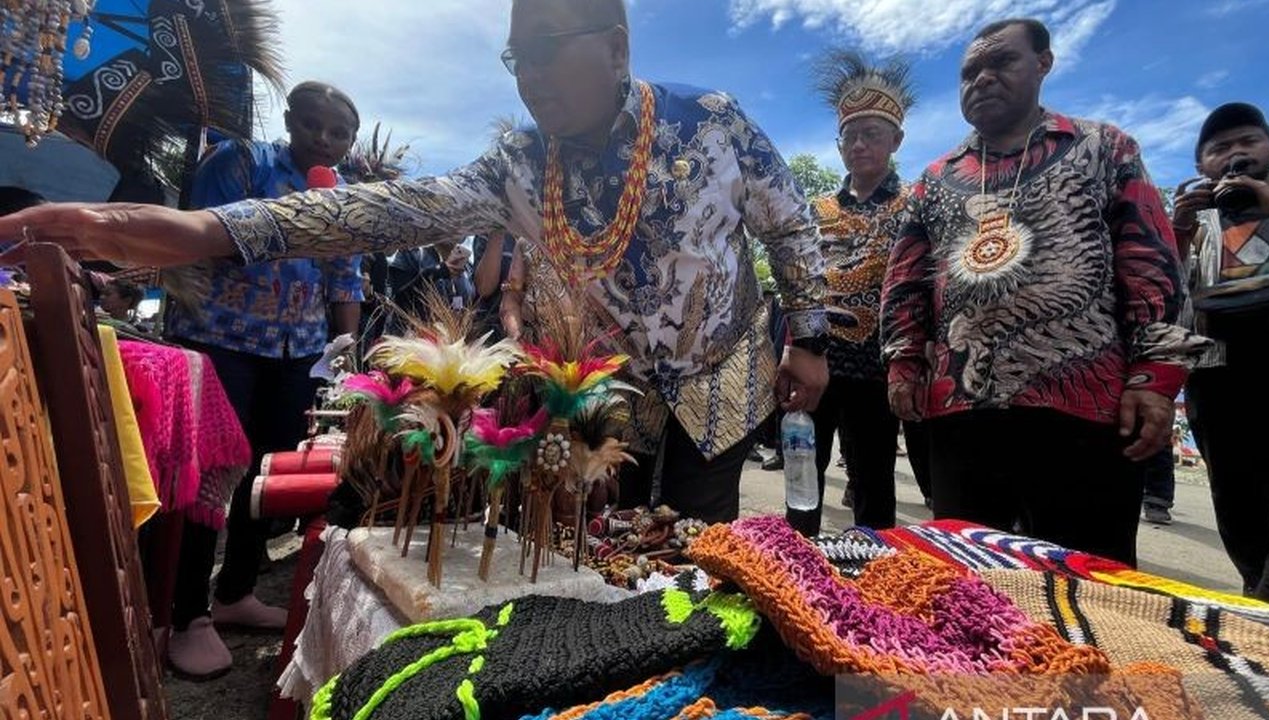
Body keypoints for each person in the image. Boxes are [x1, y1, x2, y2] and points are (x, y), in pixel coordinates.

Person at [0, 0, 829, 525]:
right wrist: (205, 231)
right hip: (612, 390)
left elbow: (792, 228)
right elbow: (390, 209)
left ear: (616, 49)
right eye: (518, 58)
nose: (530, 76)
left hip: (722, 374)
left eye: (546, 49)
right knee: (617, 536)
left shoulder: (712, 121)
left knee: (705, 538)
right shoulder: (518, 164)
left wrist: (811, 340)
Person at [879, 18, 1205, 566]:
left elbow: (1152, 262)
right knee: (967, 580)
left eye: (1001, 62)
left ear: (1043, 64)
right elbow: (905, 281)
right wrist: (902, 363)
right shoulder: (934, 180)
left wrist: (1156, 378)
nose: (982, 79)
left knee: (1088, 583)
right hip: (962, 411)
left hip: (1087, 411)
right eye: (969, 73)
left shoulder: (1104, 148)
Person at [158, 81, 365, 679]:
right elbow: (210, 238)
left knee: (265, 474)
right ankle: (186, 615)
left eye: (338, 133)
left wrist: (345, 350)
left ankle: (235, 592)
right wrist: (302, 218)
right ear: (290, 120)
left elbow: (345, 278)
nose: (323, 139)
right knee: (210, 473)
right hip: (222, 339)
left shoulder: (343, 194)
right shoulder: (241, 161)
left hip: (296, 350)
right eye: (313, 125)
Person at [786, 50, 917, 535]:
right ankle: (795, 562)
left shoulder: (914, 205)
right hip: (816, 361)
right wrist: (791, 351)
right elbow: (796, 284)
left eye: (872, 134)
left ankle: (874, 569)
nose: (859, 145)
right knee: (803, 470)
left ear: (896, 140)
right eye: (850, 136)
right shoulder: (815, 209)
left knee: (873, 480)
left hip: (877, 369)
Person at [1174, 102, 1269, 595]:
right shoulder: (1196, 220)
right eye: (1220, 148)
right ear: (1201, 164)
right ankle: (1257, 596)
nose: (1236, 155)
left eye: (1248, 142)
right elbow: (1167, 291)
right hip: (1218, 377)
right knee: (1239, 504)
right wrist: (1179, 229)